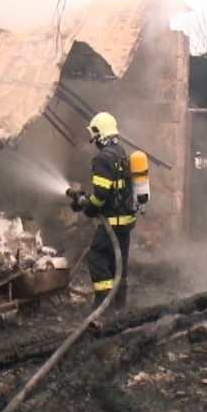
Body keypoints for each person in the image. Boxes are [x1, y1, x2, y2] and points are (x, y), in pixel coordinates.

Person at [70, 112, 136, 309]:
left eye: (95, 137)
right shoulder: (121, 153)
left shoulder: (103, 159)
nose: (94, 142)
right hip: (124, 224)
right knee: (120, 266)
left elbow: (100, 196)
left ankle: (103, 306)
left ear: (100, 135)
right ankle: (119, 308)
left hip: (110, 225)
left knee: (98, 260)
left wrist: (86, 204)